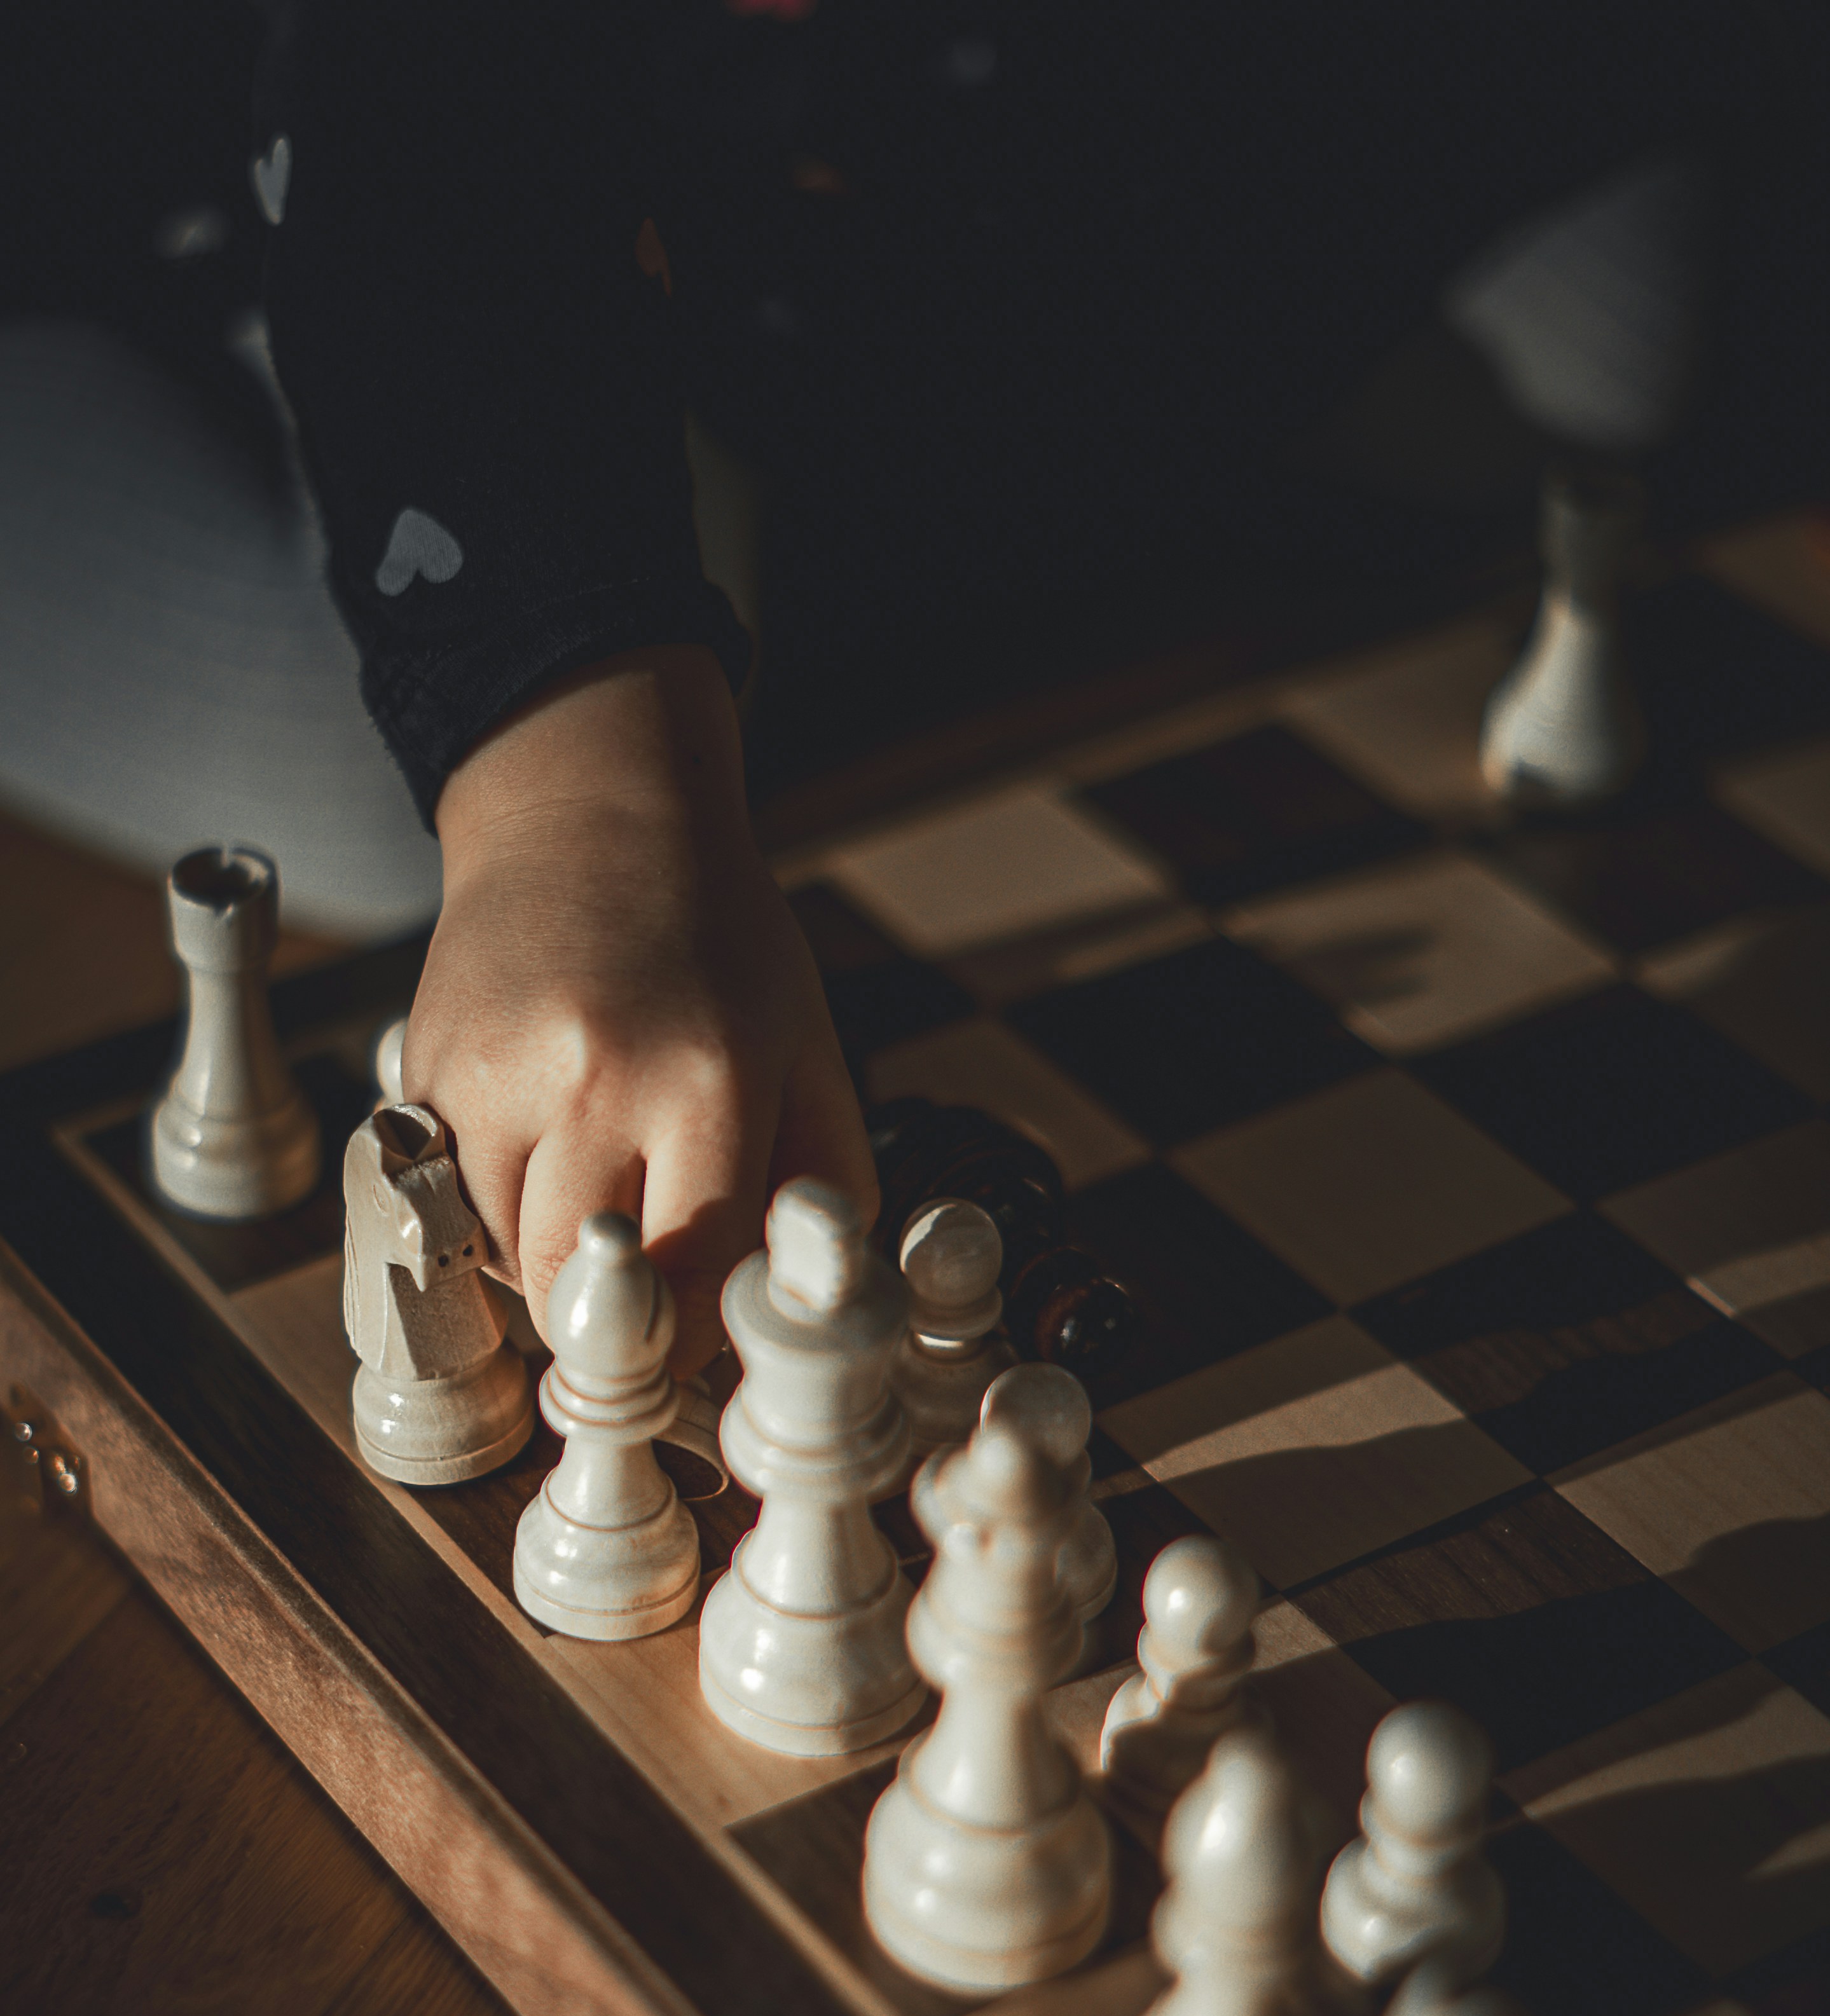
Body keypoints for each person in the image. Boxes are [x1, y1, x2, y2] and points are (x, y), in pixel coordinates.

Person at [4, 3, 1820, 1370]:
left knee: (1620, 314)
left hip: (957, 133)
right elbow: (429, 106)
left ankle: (821, 483)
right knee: (356, 759)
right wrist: (581, 787)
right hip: (236, 152)